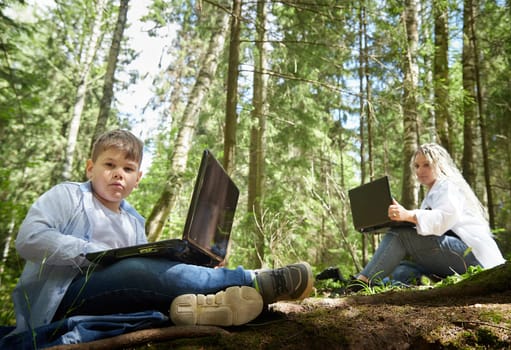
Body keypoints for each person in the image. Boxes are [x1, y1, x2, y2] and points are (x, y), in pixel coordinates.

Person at [10, 129, 313, 337]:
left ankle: (202, 307)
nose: (118, 173)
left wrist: (196, 261)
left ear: (137, 179)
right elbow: (29, 239)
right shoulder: (69, 196)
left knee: (146, 267)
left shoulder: (133, 220)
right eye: (109, 164)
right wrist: (93, 254)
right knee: (134, 267)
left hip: (113, 298)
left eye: (128, 169)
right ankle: (253, 280)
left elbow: (145, 278)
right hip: (62, 299)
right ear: (90, 168)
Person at [350, 143, 505, 289]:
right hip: (453, 254)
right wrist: (403, 217)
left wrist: (409, 215)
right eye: (417, 166)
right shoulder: (431, 195)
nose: (419, 170)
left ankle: (362, 283)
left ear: (439, 165)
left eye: (426, 165)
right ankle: (377, 283)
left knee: (400, 234)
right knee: (404, 267)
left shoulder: (447, 186)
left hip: (473, 256)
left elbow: (444, 218)